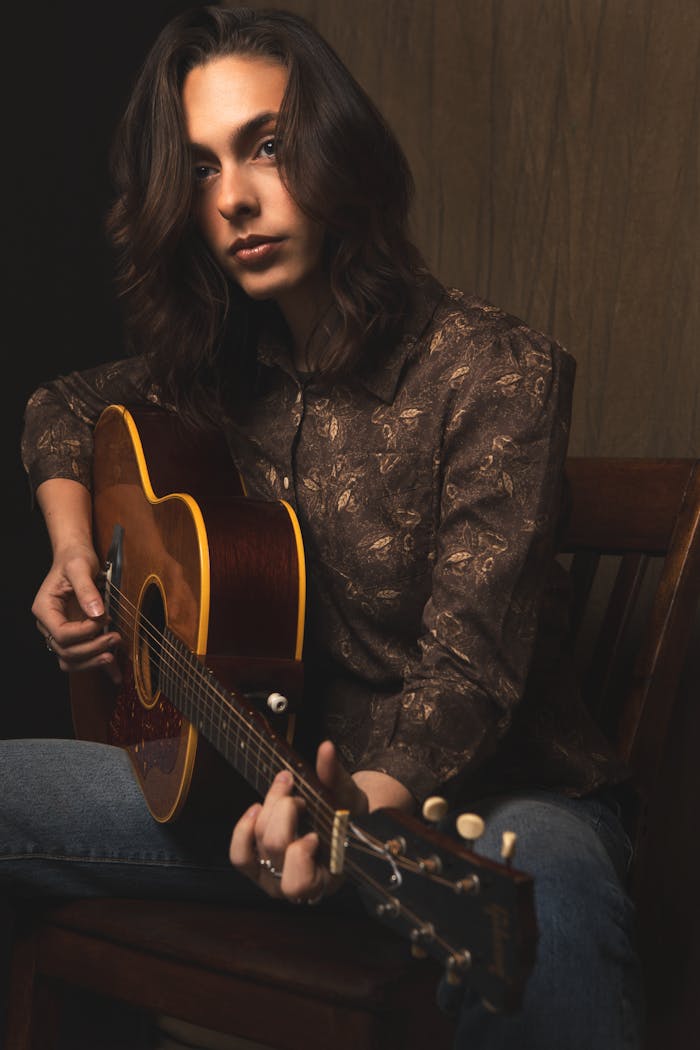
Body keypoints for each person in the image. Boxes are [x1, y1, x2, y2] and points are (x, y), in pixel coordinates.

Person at [3, 5, 642, 1048]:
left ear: (338, 149)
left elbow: (468, 679)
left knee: (545, 907)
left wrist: (344, 813)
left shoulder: (495, 372)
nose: (237, 199)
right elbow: (61, 408)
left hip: (498, 802)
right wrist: (76, 553)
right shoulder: (223, 371)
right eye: (202, 168)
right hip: (255, 785)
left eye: (265, 146)